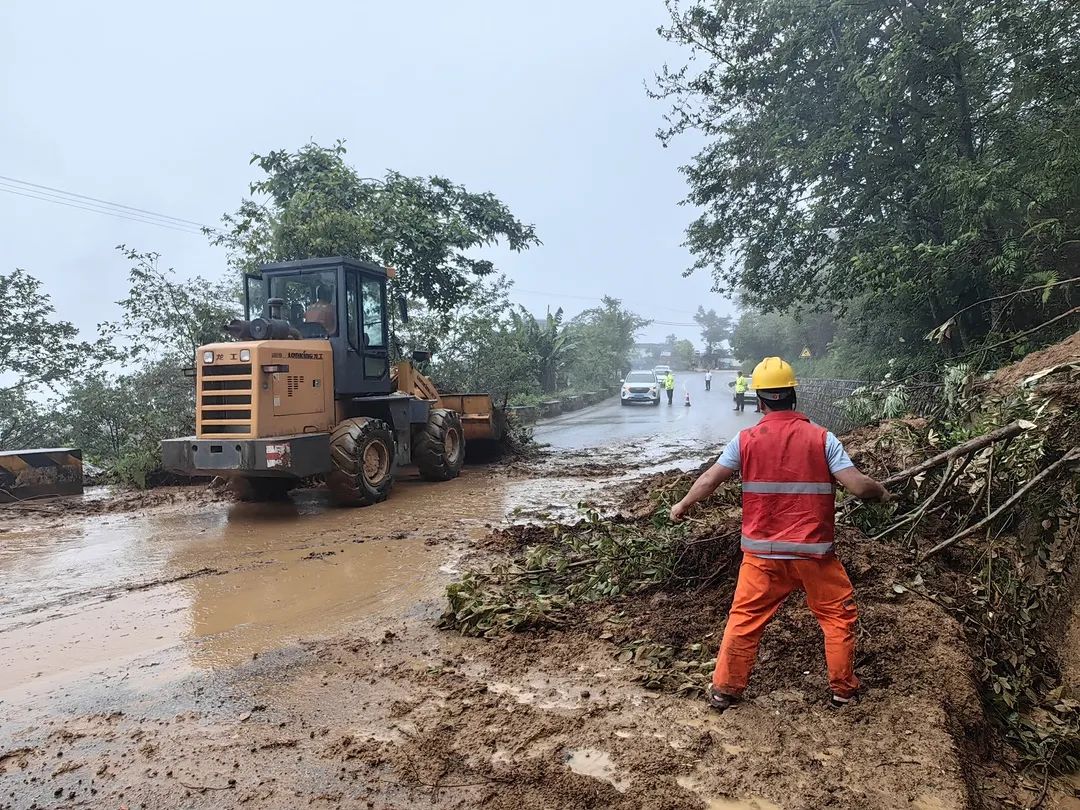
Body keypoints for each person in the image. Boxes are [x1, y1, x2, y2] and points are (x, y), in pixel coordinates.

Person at [669, 356, 891, 712]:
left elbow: (710, 479)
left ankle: (725, 691)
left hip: (762, 556)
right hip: (813, 555)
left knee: (744, 620)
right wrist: (881, 492)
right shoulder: (822, 439)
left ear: (759, 401)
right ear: (793, 397)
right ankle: (842, 691)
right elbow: (858, 487)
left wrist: (682, 505)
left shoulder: (745, 440)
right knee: (837, 617)